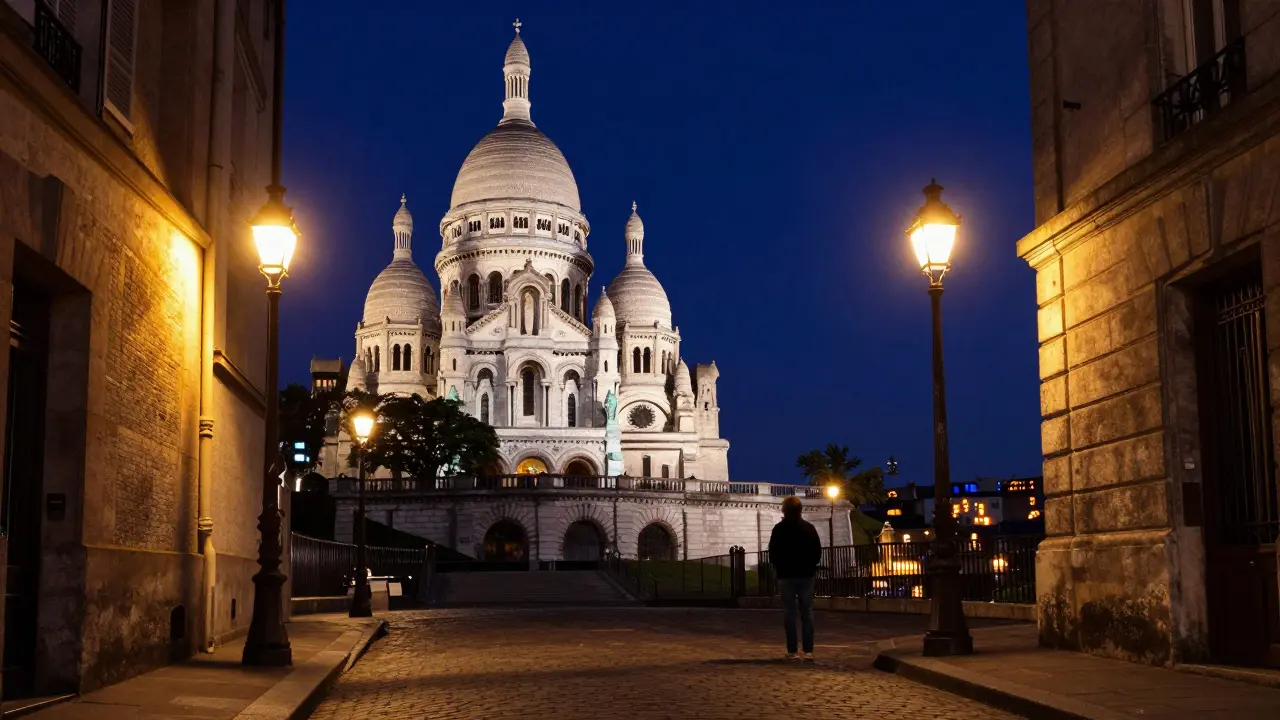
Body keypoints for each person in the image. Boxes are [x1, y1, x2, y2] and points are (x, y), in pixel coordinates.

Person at [768, 495, 822, 661]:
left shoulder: (779, 529)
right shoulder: (809, 528)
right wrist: (810, 566)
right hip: (806, 575)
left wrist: (780, 566)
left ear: (784, 510)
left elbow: (773, 552)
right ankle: (808, 651)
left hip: (786, 576)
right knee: (807, 613)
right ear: (800, 511)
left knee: (789, 612)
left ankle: (792, 650)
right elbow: (817, 552)